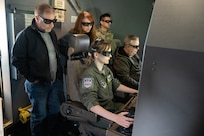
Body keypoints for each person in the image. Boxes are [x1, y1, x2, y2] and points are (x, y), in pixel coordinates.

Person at [12, 3, 63, 136]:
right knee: (39, 115)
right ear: (37, 18)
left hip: (52, 82)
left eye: (54, 21)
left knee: (54, 111)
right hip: (37, 84)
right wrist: (31, 78)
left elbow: (54, 55)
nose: (52, 25)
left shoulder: (51, 33)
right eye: (47, 21)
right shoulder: (25, 36)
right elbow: (17, 60)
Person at [79, 39, 138, 129]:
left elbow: (115, 84)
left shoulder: (106, 69)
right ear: (96, 54)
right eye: (107, 53)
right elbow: (91, 104)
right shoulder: (89, 76)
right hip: (100, 116)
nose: (110, 56)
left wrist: (136, 91)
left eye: (110, 53)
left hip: (112, 107)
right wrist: (116, 118)